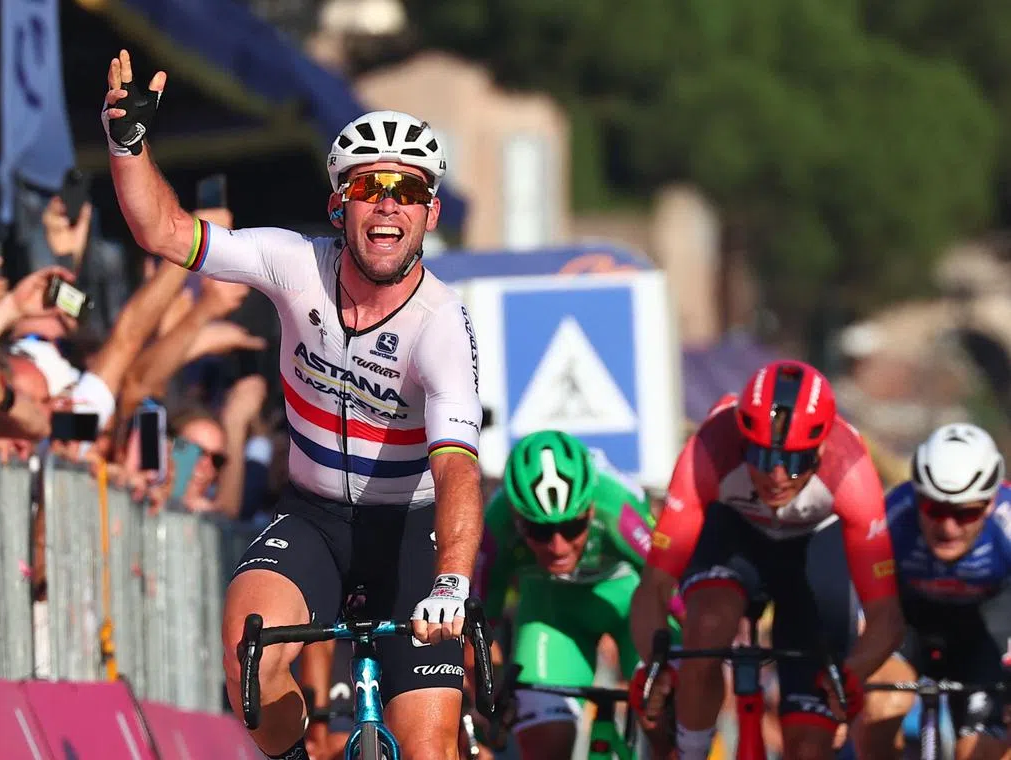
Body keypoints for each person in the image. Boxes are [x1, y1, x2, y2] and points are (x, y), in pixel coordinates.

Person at [102, 50, 483, 760]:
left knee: (429, 750)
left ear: (429, 211)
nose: (389, 202)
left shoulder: (440, 325)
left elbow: (459, 468)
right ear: (342, 204)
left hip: (411, 530)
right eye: (372, 186)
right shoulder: (293, 264)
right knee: (249, 660)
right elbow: (164, 233)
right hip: (314, 517)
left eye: (409, 188)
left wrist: (452, 585)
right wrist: (128, 147)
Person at [629, 360, 905, 760]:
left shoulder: (853, 473)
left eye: (795, 462)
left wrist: (852, 673)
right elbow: (654, 587)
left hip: (814, 550)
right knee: (707, 626)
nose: (776, 476)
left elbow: (886, 615)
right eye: (761, 456)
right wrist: (656, 667)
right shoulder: (708, 451)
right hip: (733, 536)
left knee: (808, 747)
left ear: (822, 448)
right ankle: (690, 750)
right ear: (743, 440)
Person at [476, 430, 681, 760]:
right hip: (551, 616)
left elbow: (672, 589)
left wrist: (679, 665)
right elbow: (481, 619)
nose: (557, 546)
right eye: (540, 530)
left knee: (667, 726)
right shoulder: (496, 522)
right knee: (545, 745)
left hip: (631, 608)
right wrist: (491, 687)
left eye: (571, 527)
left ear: (589, 509)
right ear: (516, 517)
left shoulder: (615, 504)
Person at [854, 423, 1011, 760]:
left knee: (983, 752)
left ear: (989, 504)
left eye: (965, 512)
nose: (948, 526)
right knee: (881, 705)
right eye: (935, 509)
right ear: (918, 498)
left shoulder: (1008, 523)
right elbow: (860, 608)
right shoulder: (892, 516)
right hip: (905, 628)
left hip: (984, 636)